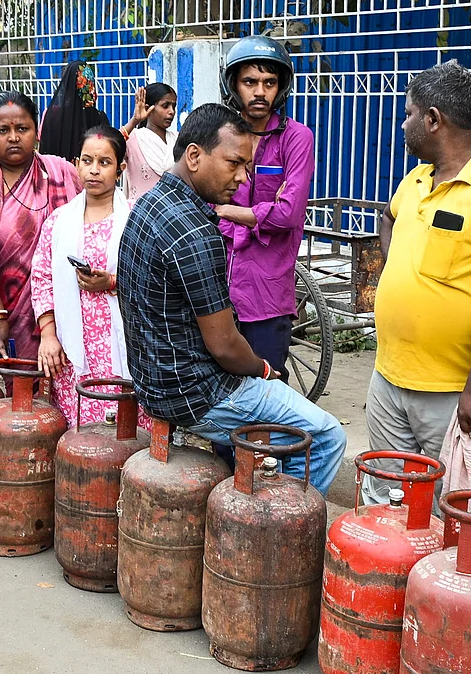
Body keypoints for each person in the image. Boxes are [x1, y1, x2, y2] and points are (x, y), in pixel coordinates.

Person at [117, 103, 345, 495]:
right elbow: (224, 346)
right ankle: (278, 529)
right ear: (194, 156)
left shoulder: (147, 206)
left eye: (247, 167)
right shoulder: (195, 231)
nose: (242, 179)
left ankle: (267, 507)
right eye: (234, 163)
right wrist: (264, 371)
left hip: (151, 384)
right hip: (198, 395)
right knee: (327, 436)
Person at [362, 60, 471, 506]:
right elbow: (389, 217)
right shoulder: (417, 178)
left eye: (408, 113)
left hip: (451, 393)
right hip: (388, 377)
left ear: (433, 119)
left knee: (445, 512)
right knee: (385, 500)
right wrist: (398, 268)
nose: (403, 124)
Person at [0, 91, 82, 360]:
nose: (13, 137)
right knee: (13, 393)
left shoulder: (61, 173)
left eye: (22, 128)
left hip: (64, 307)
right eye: (2, 130)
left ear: (37, 131)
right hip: (7, 313)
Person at [214, 36, 315, 380]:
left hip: (268, 295)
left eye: (269, 83)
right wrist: (264, 211)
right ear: (234, 85)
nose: (260, 91)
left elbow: (288, 213)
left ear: (280, 87)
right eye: (250, 82)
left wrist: (228, 212)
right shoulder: (220, 136)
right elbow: (203, 199)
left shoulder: (297, 138)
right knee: (221, 396)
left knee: (267, 390)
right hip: (217, 291)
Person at [33, 125, 141, 426]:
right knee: (81, 441)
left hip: (123, 347)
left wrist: (112, 283)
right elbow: (41, 280)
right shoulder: (59, 221)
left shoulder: (134, 218)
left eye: (104, 163)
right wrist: (48, 334)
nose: (94, 170)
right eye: (87, 161)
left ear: (119, 168)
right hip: (73, 351)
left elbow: (152, 279)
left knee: (124, 432)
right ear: (76, 163)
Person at [38, 60, 112, 163]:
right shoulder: (98, 118)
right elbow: (112, 148)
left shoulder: (51, 115)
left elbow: (43, 149)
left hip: (56, 176)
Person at [119, 83, 178, 199]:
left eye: (174, 106)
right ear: (147, 108)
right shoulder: (133, 138)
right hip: (141, 213)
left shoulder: (178, 139)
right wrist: (134, 121)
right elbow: (109, 146)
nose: (171, 111)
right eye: (165, 106)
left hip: (173, 213)